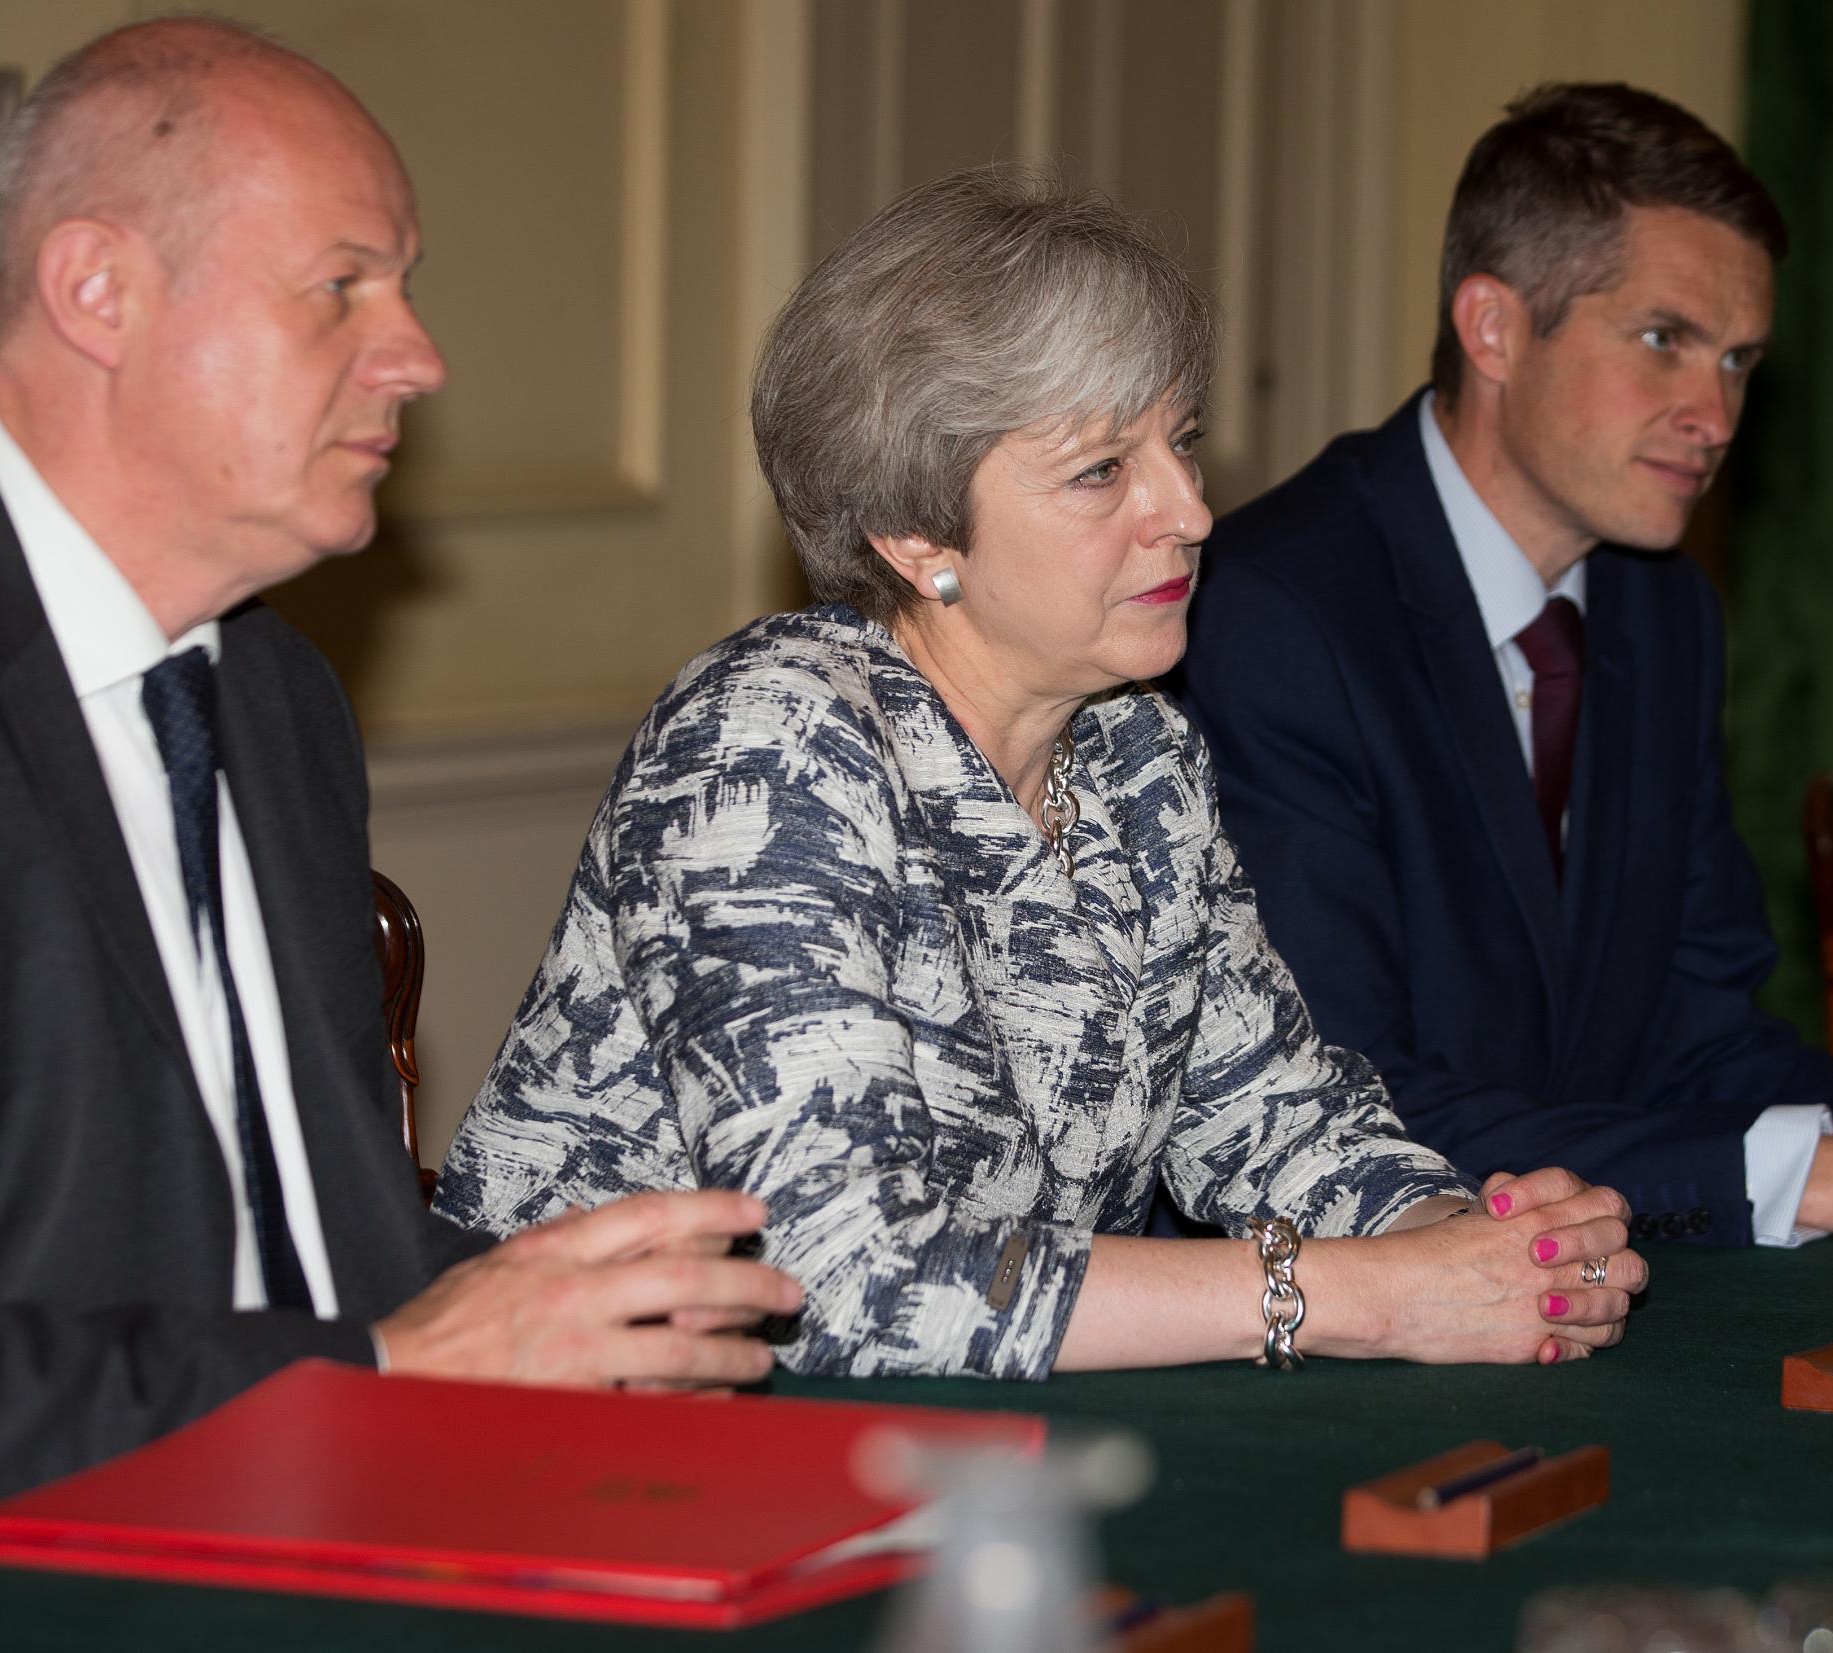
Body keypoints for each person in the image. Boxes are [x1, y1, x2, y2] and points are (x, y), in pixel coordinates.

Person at [0, 20, 800, 1574]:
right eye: (344, 286)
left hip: (317, 1541)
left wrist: (578, 1309)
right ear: (99, 291)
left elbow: (299, 1253)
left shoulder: (269, 693)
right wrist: (400, 1374)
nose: (421, 354)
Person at [436, 166, 1645, 1382]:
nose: (1190, 510)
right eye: (1100, 472)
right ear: (916, 538)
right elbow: (840, 1283)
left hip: (951, 1450)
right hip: (588, 1445)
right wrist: (1347, 1298)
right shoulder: (765, 742)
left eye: (1177, 444)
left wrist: (1473, 1251)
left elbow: (1276, 1122)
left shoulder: (1139, 754)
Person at [1175, 82, 1833, 1252]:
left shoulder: (1663, 606)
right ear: (1492, 328)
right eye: (1663, 341)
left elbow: (1696, 1033)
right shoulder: (1272, 609)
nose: (1715, 414)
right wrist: (1825, 1180)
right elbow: (1338, 1108)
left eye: (1737, 361)